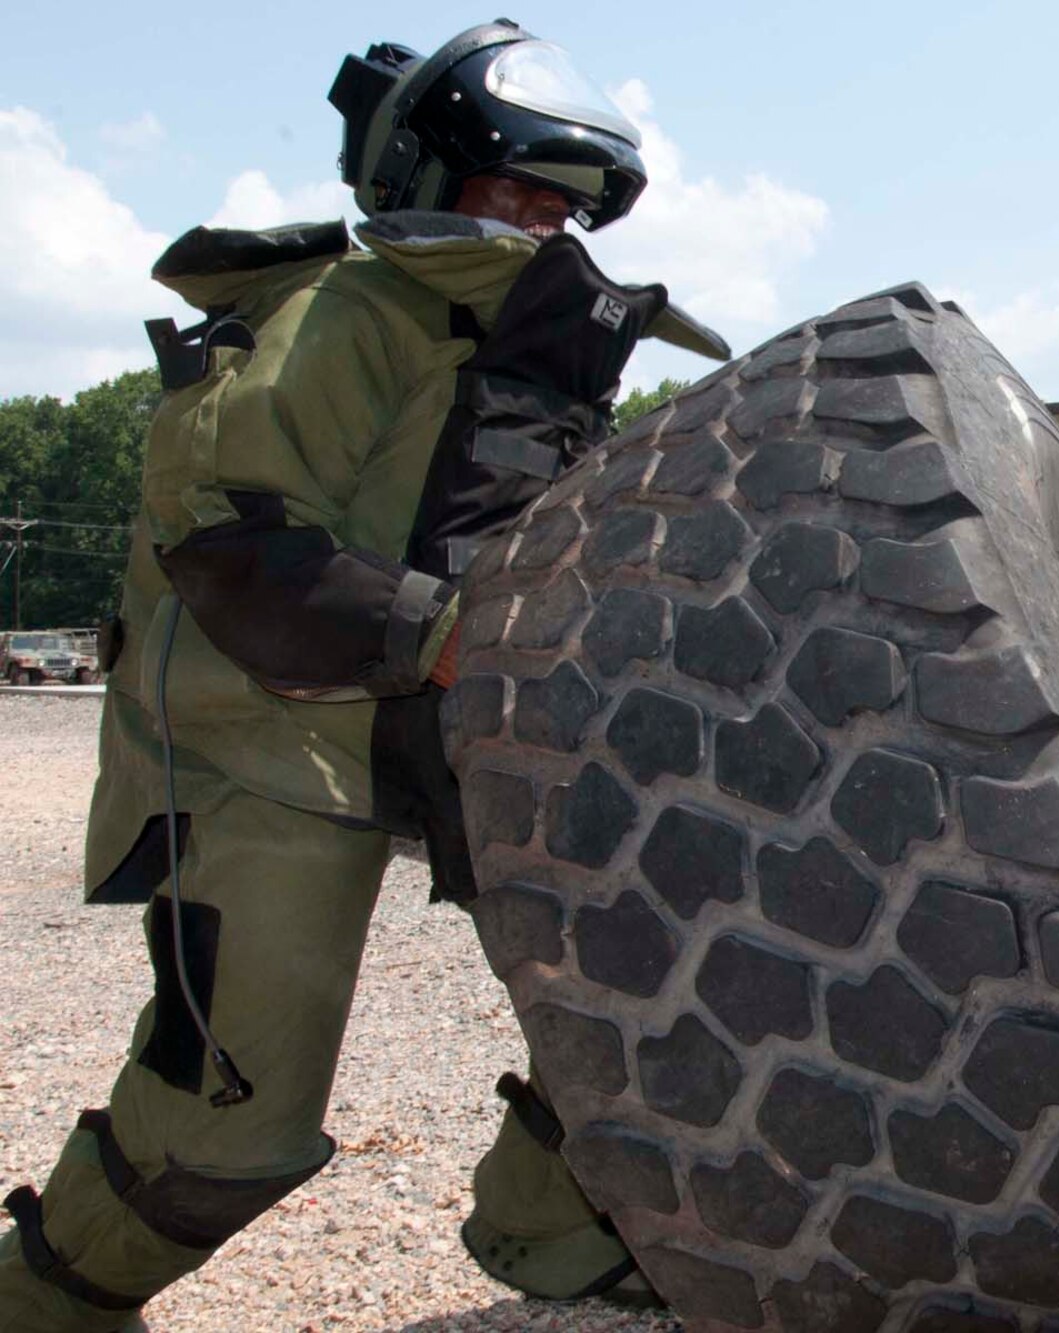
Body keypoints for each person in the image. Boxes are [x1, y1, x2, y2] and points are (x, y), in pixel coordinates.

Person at [0, 22, 729, 1332]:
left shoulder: (536, 346)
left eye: (564, 207)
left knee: (654, 974)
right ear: (428, 184)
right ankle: (37, 1303)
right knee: (226, 1126)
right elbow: (227, 535)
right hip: (264, 729)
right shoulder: (351, 311)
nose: (543, 226)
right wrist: (439, 634)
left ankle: (559, 1229)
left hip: (465, 717)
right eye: (514, 193)